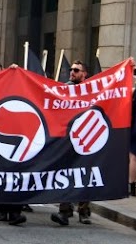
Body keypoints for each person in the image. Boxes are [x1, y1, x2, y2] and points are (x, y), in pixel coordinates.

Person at [51, 60, 92, 225]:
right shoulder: (63, 89)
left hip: (85, 139)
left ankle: (84, 211)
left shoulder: (91, 90)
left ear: (84, 74)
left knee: (85, 175)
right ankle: (64, 212)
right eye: (71, 70)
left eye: (76, 70)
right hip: (66, 140)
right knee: (66, 174)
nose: (72, 72)